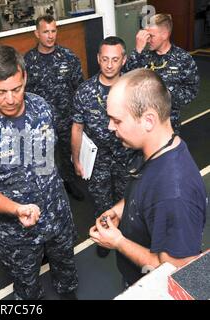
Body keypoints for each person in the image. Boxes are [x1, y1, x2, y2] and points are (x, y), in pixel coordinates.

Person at [0, 44, 78, 300]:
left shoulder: (42, 108)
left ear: (25, 77)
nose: (10, 99)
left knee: (67, 273)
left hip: (57, 215)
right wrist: (16, 209)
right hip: (16, 231)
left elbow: (51, 155)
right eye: (1, 91)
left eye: (17, 89)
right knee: (27, 286)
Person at [89, 69, 207, 288]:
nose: (110, 127)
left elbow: (176, 272)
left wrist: (118, 242)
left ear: (148, 120)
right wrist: (118, 211)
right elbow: (143, 190)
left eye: (117, 120)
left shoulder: (174, 194)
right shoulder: (158, 149)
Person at [72, 36, 133, 257]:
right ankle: (105, 236)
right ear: (98, 58)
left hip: (127, 157)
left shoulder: (132, 89)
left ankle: (126, 237)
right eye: (105, 59)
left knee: (127, 199)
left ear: (123, 60)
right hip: (97, 160)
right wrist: (76, 159)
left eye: (115, 59)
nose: (109, 64)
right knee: (101, 202)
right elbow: (77, 127)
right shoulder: (85, 91)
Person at [24, 14, 85, 201]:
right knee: (45, 158)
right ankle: (51, 191)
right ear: (37, 33)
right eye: (45, 32)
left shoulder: (68, 57)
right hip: (42, 123)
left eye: (53, 31)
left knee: (69, 154)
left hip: (67, 118)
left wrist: (79, 117)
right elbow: (24, 94)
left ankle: (71, 183)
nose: (50, 36)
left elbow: (79, 87)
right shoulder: (28, 61)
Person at [124, 13, 199, 133]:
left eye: (151, 36)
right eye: (146, 36)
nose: (148, 40)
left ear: (165, 34)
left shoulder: (183, 59)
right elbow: (126, 79)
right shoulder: (142, 56)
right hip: (141, 122)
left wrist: (165, 96)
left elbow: (191, 90)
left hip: (168, 123)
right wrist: (137, 50)